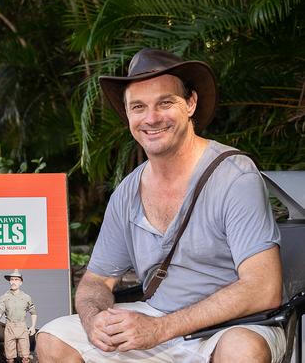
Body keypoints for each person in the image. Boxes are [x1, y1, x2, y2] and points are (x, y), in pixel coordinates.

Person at [36, 48, 285, 363]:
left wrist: (161, 328)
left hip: (232, 326)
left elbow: (263, 288)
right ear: (128, 115)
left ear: (191, 103)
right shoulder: (127, 192)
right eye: (138, 107)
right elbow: (95, 282)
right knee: (54, 339)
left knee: (243, 350)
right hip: (157, 319)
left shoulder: (234, 176)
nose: (151, 118)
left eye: (165, 103)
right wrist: (95, 319)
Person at [0, 270, 37, 363]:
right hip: (10, 327)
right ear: (9, 281)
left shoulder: (26, 297)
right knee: (9, 357)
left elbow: (33, 312)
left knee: (25, 356)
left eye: (16, 279)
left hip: (22, 327)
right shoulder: (4, 297)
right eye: (12, 279)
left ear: (20, 282)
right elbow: (1, 309)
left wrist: (33, 326)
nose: (13, 281)